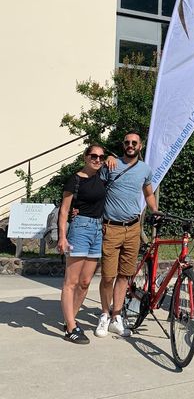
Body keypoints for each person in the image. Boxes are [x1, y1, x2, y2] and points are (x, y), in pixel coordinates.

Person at [96, 130, 161, 338]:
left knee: (124, 275)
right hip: (111, 227)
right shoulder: (111, 165)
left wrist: (156, 211)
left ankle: (116, 316)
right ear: (123, 145)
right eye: (127, 142)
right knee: (108, 276)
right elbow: (96, 189)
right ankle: (104, 314)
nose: (130, 145)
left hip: (133, 229)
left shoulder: (144, 169)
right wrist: (107, 158)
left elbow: (148, 193)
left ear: (140, 146)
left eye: (134, 142)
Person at [58, 144, 107, 344]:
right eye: (93, 156)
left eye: (101, 157)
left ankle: (71, 319)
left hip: (97, 230)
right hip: (80, 228)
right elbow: (64, 210)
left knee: (85, 282)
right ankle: (71, 327)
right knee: (71, 281)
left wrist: (110, 159)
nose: (97, 160)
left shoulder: (102, 177)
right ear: (85, 157)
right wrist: (62, 236)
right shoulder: (75, 180)